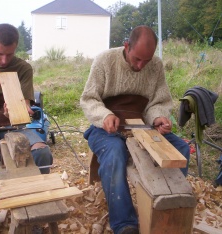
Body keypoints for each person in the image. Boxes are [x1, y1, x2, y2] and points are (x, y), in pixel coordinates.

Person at [80, 25, 190, 234]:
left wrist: (158, 118)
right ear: (127, 46)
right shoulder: (105, 60)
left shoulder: (155, 65)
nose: (141, 66)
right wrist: (105, 116)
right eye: (137, 59)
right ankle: (124, 223)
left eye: (146, 60)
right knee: (114, 153)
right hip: (106, 128)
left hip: (142, 126)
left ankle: (166, 208)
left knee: (180, 150)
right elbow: (89, 99)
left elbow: (158, 101)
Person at [0, 23, 53, 234]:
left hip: (14, 124)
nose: (5, 60)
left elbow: (26, 106)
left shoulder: (23, 67)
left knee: (42, 152)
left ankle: (35, 214)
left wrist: (17, 110)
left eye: (10, 54)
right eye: (0, 54)